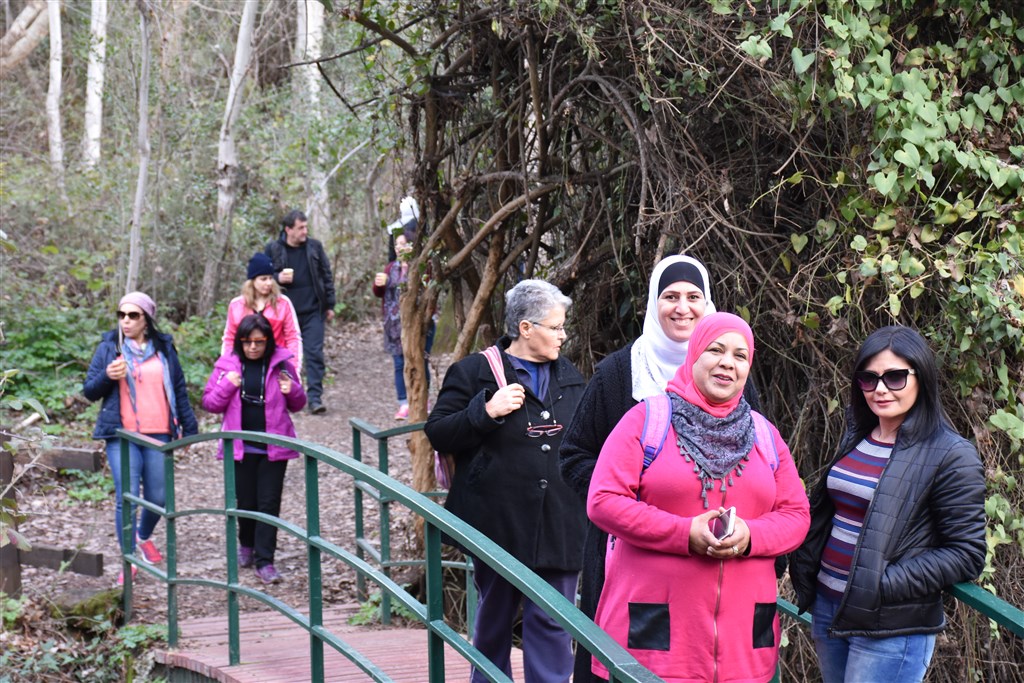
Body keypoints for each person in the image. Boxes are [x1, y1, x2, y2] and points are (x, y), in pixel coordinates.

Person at [559, 255, 760, 683]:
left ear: (709, 305)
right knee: (622, 663)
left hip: (715, 562)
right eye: (670, 296)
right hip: (627, 552)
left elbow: (757, 457)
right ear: (654, 303)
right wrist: (634, 496)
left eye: (693, 297)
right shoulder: (619, 374)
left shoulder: (734, 372)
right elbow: (573, 454)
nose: (682, 307)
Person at [586, 312, 810, 682]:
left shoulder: (764, 434)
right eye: (715, 350)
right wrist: (683, 532)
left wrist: (751, 535)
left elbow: (796, 514)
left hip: (742, 638)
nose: (728, 362)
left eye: (740, 356)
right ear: (693, 356)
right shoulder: (646, 421)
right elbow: (603, 499)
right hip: (656, 629)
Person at [789, 325, 986, 683]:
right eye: (869, 378)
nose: (880, 389)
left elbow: (966, 553)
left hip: (889, 624)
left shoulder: (952, 454)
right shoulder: (858, 434)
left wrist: (881, 583)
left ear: (921, 377)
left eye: (895, 377)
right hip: (830, 606)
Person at [425, 279, 586, 683]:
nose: (563, 335)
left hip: (561, 522)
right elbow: (438, 432)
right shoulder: (475, 371)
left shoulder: (568, 373)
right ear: (526, 328)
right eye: (556, 327)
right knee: (494, 620)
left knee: (553, 622)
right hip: (497, 522)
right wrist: (486, 411)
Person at [83, 292, 198, 585]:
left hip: (159, 430)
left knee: (159, 497)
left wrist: (190, 429)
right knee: (128, 496)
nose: (126, 321)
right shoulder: (109, 348)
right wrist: (108, 375)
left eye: (133, 315)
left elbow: (180, 389)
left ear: (146, 320)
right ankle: (129, 559)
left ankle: (142, 536)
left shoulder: (164, 348)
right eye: (122, 315)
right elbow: (90, 391)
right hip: (121, 434)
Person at [202, 313, 307, 584]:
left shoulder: (282, 365)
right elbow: (210, 403)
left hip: (274, 446)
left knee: (268, 504)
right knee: (246, 502)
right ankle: (246, 545)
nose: (252, 347)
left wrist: (291, 389)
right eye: (247, 342)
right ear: (240, 341)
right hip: (240, 448)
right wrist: (228, 385)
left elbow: (298, 403)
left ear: (268, 342)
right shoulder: (227, 365)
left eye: (258, 342)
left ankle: (265, 561)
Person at [265, 209, 336, 414]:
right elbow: (261, 276)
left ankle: (314, 398)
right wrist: (278, 278)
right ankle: (286, 396)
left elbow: (326, 274)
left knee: (314, 354)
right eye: (300, 227)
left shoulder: (314, 247)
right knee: (283, 356)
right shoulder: (274, 249)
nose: (305, 231)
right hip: (285, 314)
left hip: (314, 310)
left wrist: (330, 304)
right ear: (288, 229)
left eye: (306, 227)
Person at [372, 202, 435, 420]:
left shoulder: (422, 268)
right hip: (394, 326)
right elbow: (379, 293)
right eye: (397, 245)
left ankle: (422, 399)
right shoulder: (390, 268)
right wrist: (379, 284)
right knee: (399, 364)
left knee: (420, 361)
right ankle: (403, 402)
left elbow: (430, 294)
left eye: (404, 244)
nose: (400, 248)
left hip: (419, 325)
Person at [222, 252, 302, 368]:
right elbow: (229, 339)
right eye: (263, 279)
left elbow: (293, 338)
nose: (269, 283)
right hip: (244, 365)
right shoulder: (236, 305)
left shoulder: (283, 303)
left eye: (270, 278)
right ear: (253, 281)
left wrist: (292, 369)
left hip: (276, 364)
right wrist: (228, 367)